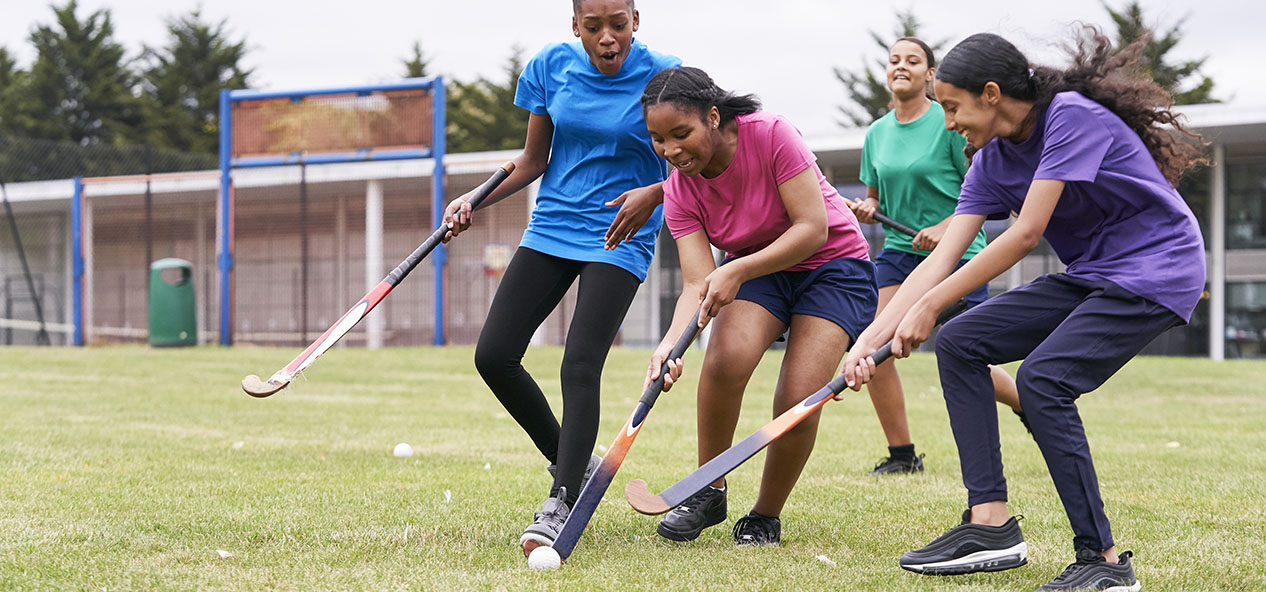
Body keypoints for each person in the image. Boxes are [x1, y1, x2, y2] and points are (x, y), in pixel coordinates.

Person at [841, 28, 1206, 590]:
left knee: (1044, 380)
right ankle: (990, 524)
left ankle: (1104, 563)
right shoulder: (990, 163)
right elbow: (937, 263)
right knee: (962, 341)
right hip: (1095, 274)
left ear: (991, 94)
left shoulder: (1070, 117)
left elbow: (1025, 233)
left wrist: (931, 307)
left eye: (954, 107)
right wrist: (868, 342)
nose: (949, 121)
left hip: (1159, 269)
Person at [441, 0, 680, 550]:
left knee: (580, 362)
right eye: (593, 27)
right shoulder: (549, 67)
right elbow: (533, 160)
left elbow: (696, 159)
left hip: (621, 232)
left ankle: (564, 498)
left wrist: (655, 192)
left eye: (618, 25)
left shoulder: (665, 75)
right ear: (575, 26)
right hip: (552, 227)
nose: (607, 39)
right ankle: (572, 461)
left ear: (635, 20)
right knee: (493, 355)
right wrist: (474, 199)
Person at [641, 67, 877, 546]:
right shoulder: (679, 188)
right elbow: (695, 282)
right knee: (725, 360)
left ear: (712, 117)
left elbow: (812, 228)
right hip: (757, 270)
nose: (671, 150)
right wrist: (669, 345)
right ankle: (708, 489)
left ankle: (765, 515)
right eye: (658, 139)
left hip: (833, 265)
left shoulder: (771, 135)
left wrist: (739, 268)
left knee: (798, 398)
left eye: (680, 134)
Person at [849, 37, 1023, 476]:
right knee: (875, 343)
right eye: (893, 60)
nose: (901, 66)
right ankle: (903, 455)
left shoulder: (952, 123)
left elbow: (981, 196)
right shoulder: (876, 133)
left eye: (913, 60)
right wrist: (868, 209)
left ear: (930, 74)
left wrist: (946, 230)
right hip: (898, 252)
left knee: (964, 354)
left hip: (960, 253)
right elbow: (874, 199)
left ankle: (1027, 403)